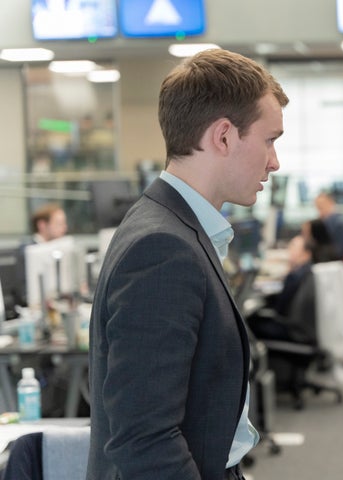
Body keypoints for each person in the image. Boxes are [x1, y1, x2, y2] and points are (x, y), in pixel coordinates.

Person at [86, 48, 288, 480]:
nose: (274, 161)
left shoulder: (174, 227)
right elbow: (144, 439)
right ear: (223, 136)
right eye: (270, 140)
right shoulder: (162, 247)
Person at [247, 234, 317, 344]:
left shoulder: (295, 276)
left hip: (293, 333)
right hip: (301, 330)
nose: (289, 250)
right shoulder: (306, 271)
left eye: (294, 247)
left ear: (306, 254)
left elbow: (279, 310)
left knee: (248, 323)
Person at [314, 191, 343, 258]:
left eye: (321, 206)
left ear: (331, 203)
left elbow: (339, 253)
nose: (319, 211)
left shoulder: (338, 224)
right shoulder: (324, 223)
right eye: (317, 207)